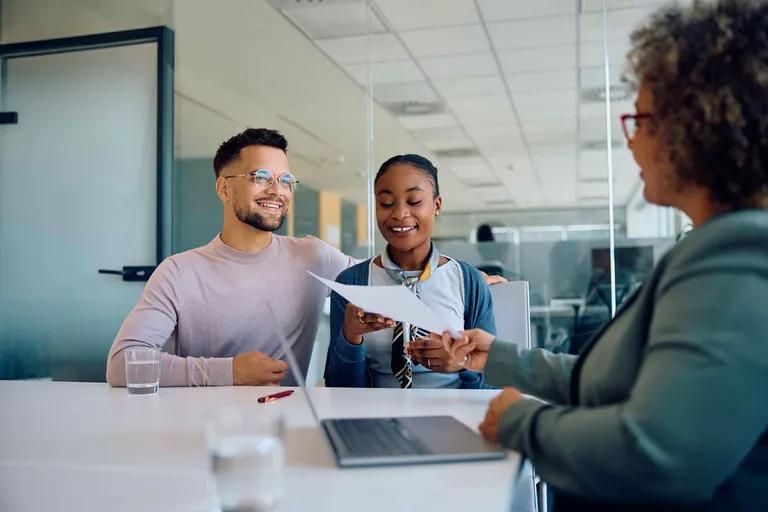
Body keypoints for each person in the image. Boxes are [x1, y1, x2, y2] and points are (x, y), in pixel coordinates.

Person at [411, 1, 768, 509]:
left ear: (696, 126)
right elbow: (617, 381)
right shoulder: (715, 245)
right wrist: (496, 355)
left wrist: (518, 421)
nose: (633, 142)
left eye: (642, 120)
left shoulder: (738, 254)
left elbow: (655, 456)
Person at [106, 128, 355, 386]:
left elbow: (381, 278)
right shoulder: (178, 272)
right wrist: (229, 372)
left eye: (285, 180)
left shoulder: (314, 257)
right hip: (203, 423)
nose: (277, 191)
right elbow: (122, 364)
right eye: (261, 177)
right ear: (224, 189)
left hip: (287, 420)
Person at [325, 154, 495, 388]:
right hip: (378, 418)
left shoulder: (468, 282)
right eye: (386, 203)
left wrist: (462, 363)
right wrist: (351, 338)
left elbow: (492, 384)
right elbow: (339, 390)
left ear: (436, 205)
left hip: (452, 415)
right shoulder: (352, 283)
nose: (399, 214)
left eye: (414, 201)